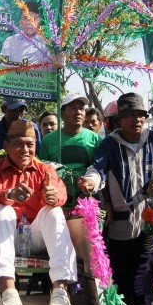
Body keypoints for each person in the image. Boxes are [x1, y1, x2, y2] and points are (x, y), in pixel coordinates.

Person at [0, 120, 77, 305]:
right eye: (19, 144)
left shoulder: (45, 170)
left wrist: (53, 196)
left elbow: (60, 191)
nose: (25, 149)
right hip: (0, 235)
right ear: (6, 146)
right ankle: (6, 288)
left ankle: (60, 288)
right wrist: (9, 194)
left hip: (34, 238)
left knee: (55, 211)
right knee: (2, 208)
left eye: (30, 145)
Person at [80, 93, 153, 301]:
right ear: (120, 120)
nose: (136, 120)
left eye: (140, 115)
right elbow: (98, 168)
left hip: (148, 222)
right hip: (120, 225)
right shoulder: (109, 144)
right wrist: (90, 182)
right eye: (129, 115)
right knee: (121, 277)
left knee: (145, 276)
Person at [40, 94, 102, 277]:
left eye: (81, 108)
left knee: (88, 253)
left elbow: (100, 171)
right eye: (73, 108)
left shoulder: (94, 139)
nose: (78, 112)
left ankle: (91, 285)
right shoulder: (49, 141)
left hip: (86, 206)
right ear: (63, 113)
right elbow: (42, 174)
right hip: (57, 205)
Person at [0, 1, 50, 65]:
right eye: (25, 18)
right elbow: (2, 67)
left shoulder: (48, 44)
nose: (29, 22)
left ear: (40, 22)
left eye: (34, 19)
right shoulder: (10, 41)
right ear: (20, 22)